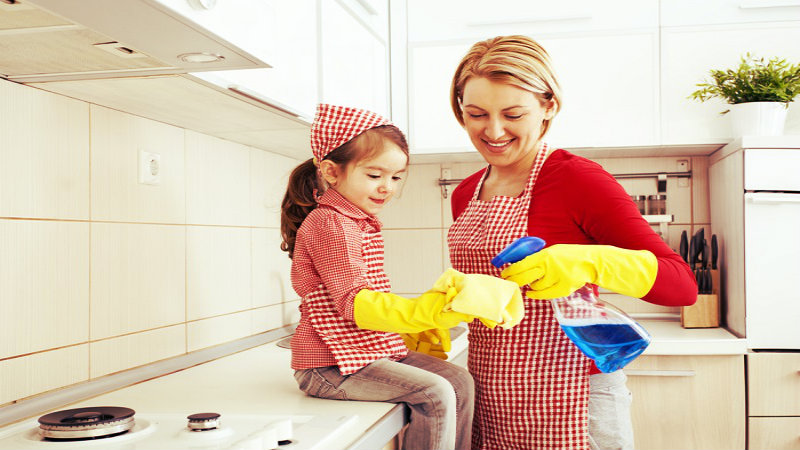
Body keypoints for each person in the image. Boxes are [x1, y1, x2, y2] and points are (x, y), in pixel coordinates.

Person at [443, 36, 697, 450]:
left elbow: (682, 284)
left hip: (573, 398)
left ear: (548, 106)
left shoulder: (577, 179)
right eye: (476, 114)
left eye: (512, 114)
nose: (493, 130)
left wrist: (590, 261)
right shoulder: (465, 192)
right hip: (491, 392)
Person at [280, 103, 522, 450]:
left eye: (395, 177)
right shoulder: (331, 223)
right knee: (435, 392)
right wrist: (422, 312)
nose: (387, 188)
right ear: (332, 172)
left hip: (362, 355)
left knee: (459, 380)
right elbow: (353, 302)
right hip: (328, 367)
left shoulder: (354, 220)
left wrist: (418, 318)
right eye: (374, 176)